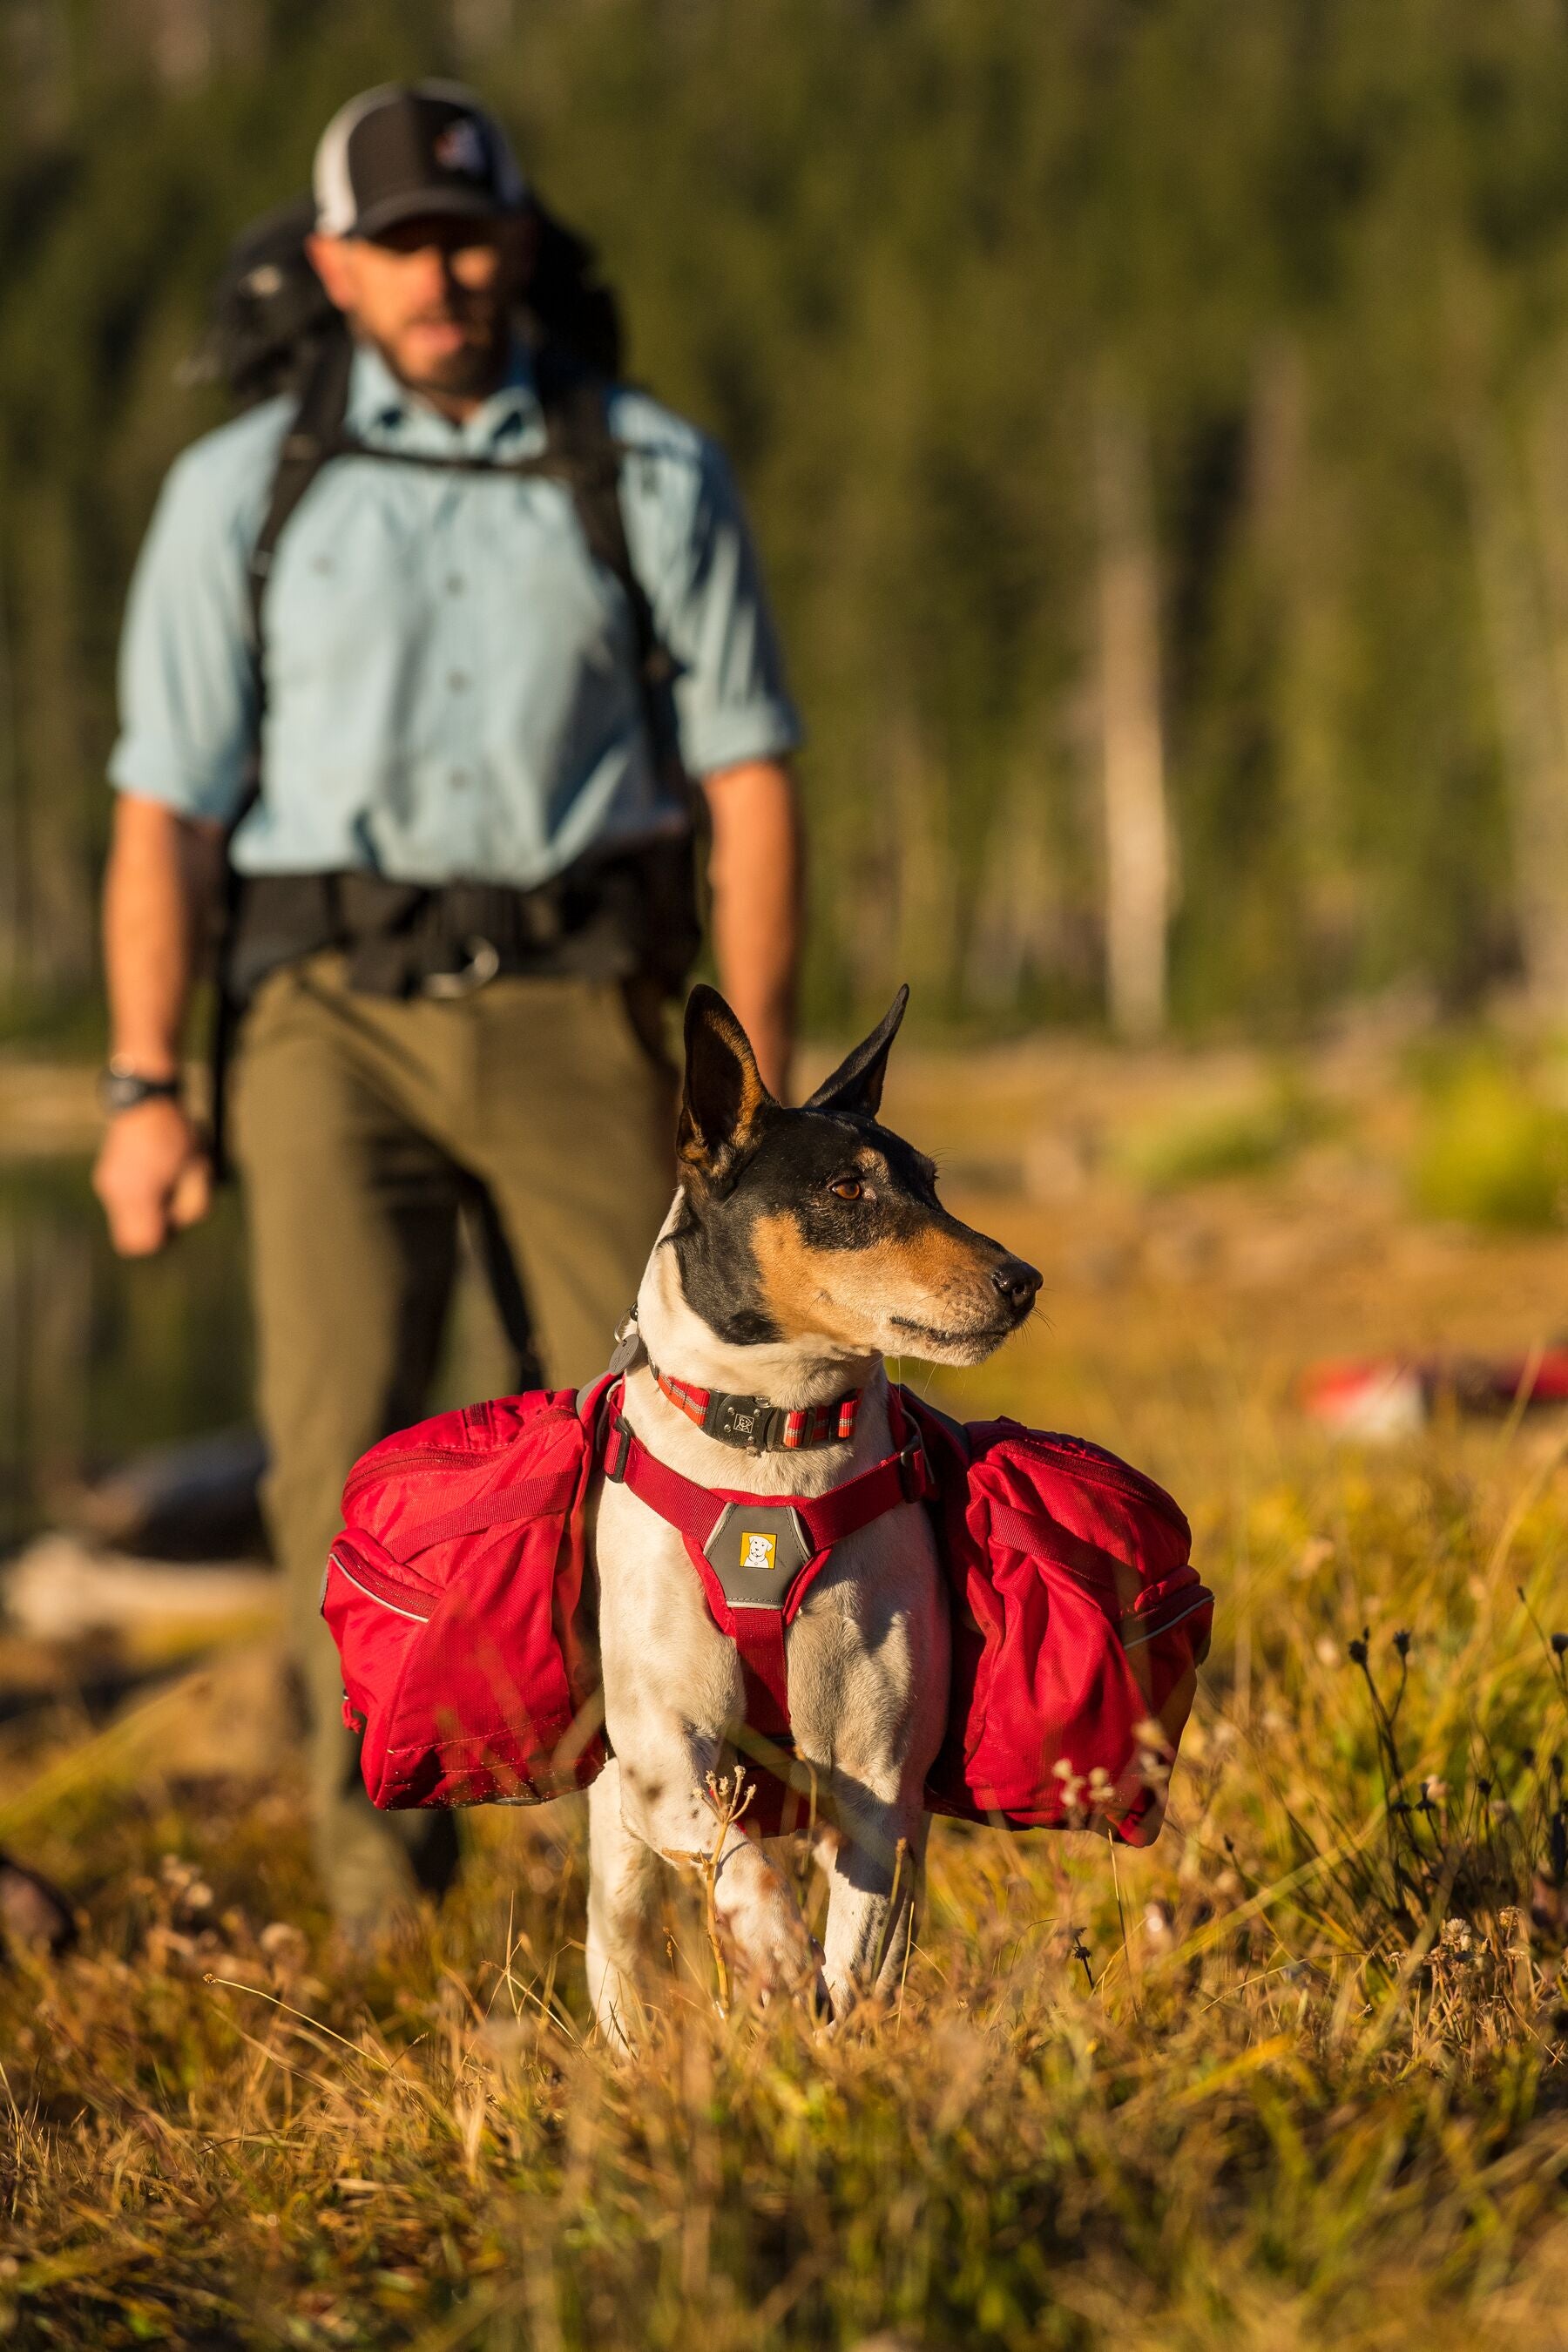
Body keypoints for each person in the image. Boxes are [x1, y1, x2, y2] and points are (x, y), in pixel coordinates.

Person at [91, 81, 804, 1943]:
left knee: (691, 1438)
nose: (440, 272)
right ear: (333, 264)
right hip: (330, 1024)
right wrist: (144, 1085)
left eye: (468, 235)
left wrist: (770, 1091)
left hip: (593, 1006)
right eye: (398, 242)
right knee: (345, 1461)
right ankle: (382, 1908)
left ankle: (726, 1865)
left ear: (518, 245)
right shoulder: (236, 495)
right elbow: (162, 807)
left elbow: (748, 778)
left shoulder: (644, 469)